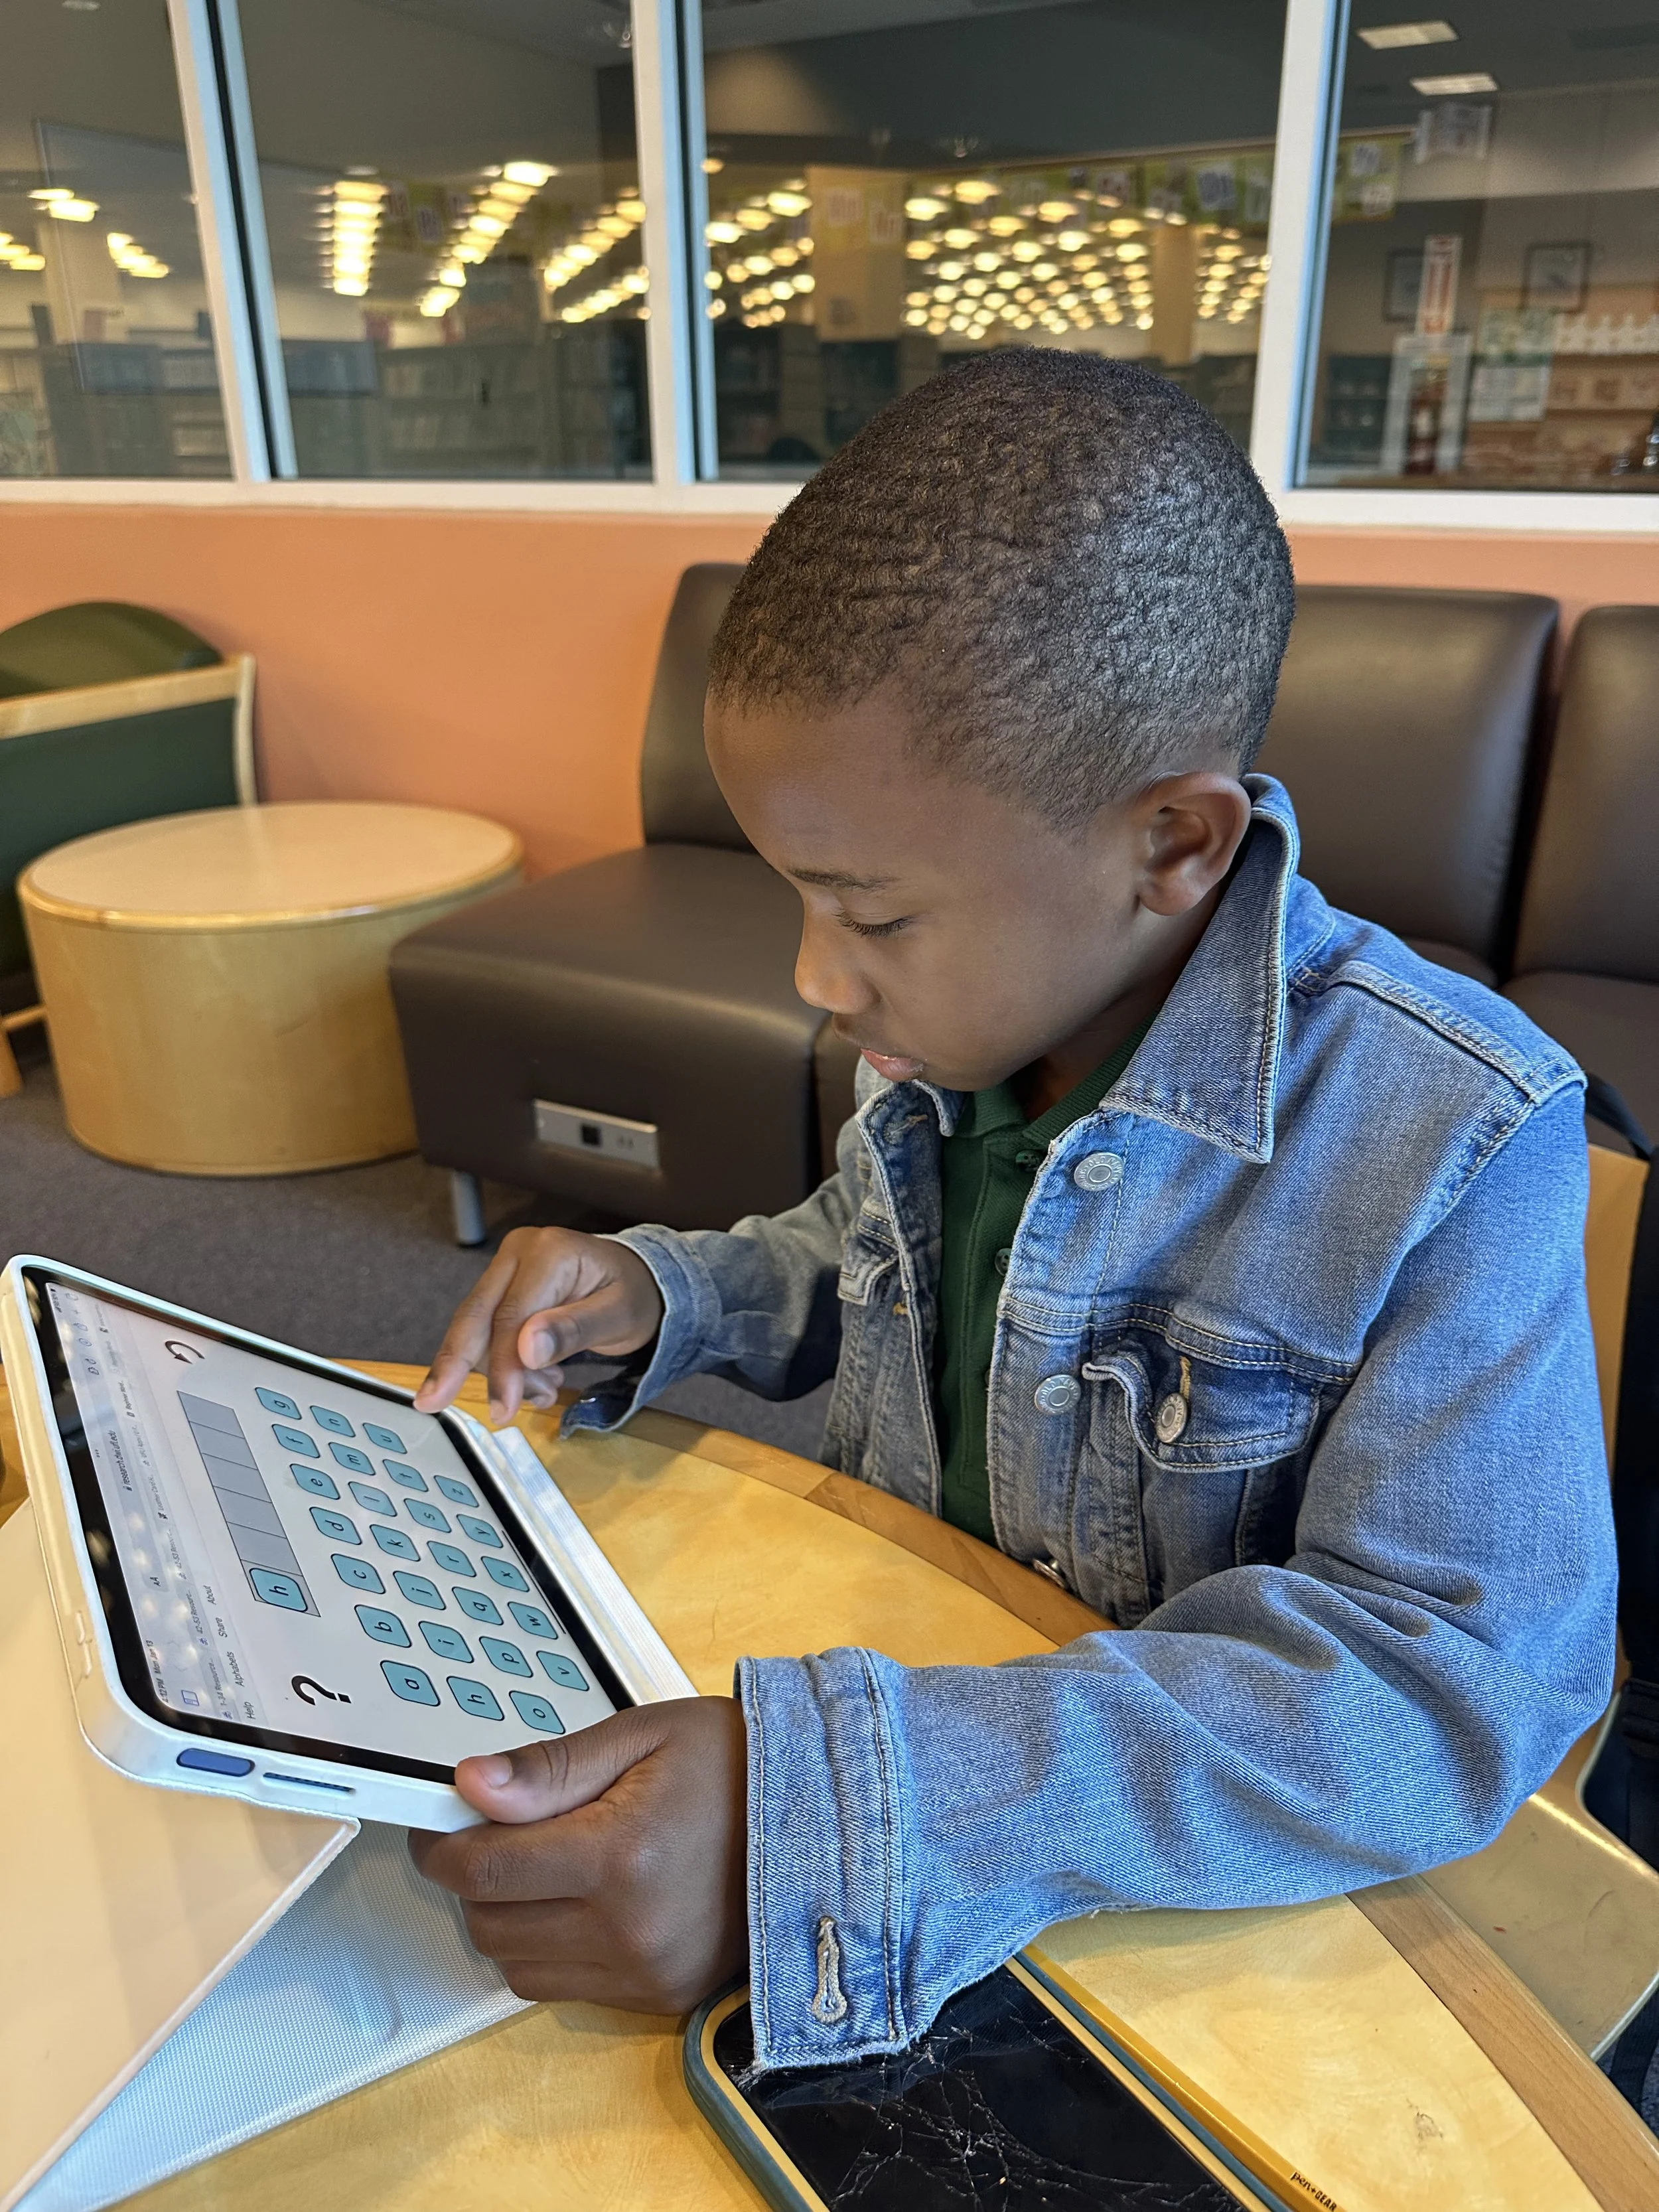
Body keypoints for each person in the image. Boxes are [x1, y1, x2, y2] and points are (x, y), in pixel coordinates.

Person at [408, 349, 1615, 2069]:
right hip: (911, 1671)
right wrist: (671, 1292)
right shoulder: (955, 1041)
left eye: (872, 914)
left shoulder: (1455, 1134)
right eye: (798, 898)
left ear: (1171, 844)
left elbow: (1446, 1688)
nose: (817, 979)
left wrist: (844, 1807)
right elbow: (864, 1257)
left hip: (1182, 1910)